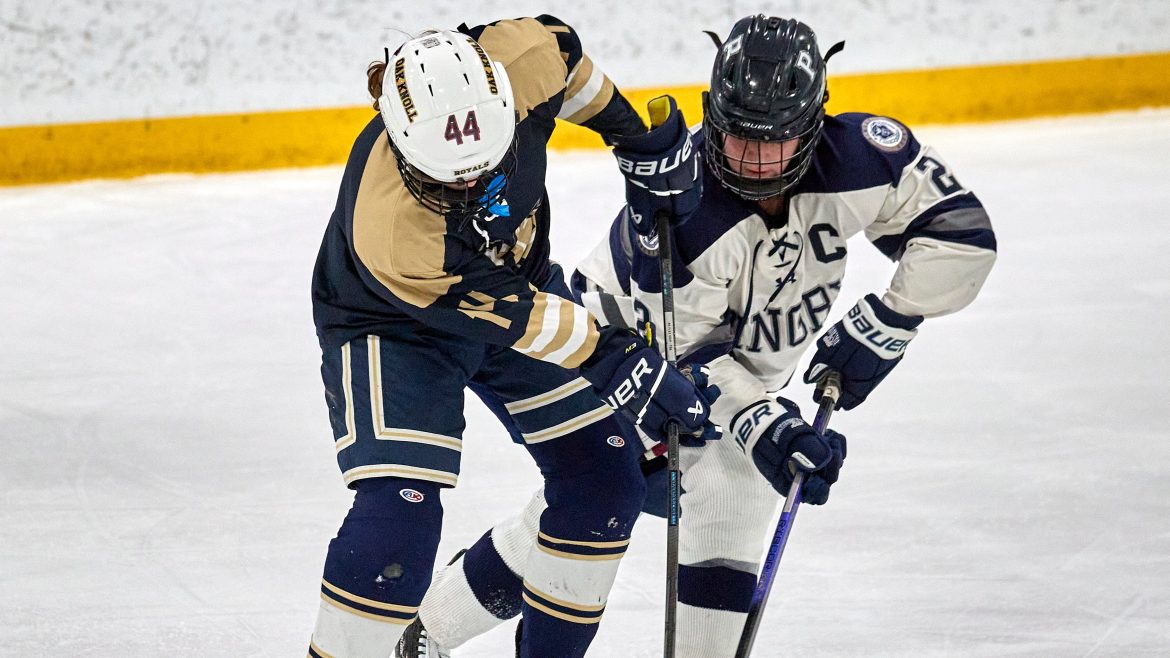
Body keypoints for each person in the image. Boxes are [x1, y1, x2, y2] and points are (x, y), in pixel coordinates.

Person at [397, 13, 998, 658]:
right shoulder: (683, 212)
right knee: (606, 509)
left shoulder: (860, 156)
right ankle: (427, 635)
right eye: (739, 136)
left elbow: (962, 233)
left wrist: (892, 319)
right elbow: (681, 362)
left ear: (815, 124)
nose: (756, 160)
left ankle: (424, 635)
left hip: (725, 386)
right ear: (713, 111)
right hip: (612, 360)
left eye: (777, 141)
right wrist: (764, 424)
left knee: (618, 513)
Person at [307, 16, 723, 658]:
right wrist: (619, 360)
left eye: (485, 164)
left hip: (514, 280)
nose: (473, 187)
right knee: (400, 517)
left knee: (605, 482)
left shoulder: (527, 55)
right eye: (449, 178)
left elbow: (570, 71)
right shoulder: (393, 231)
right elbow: (521, 318)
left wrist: (634, 141)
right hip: (394, 326)